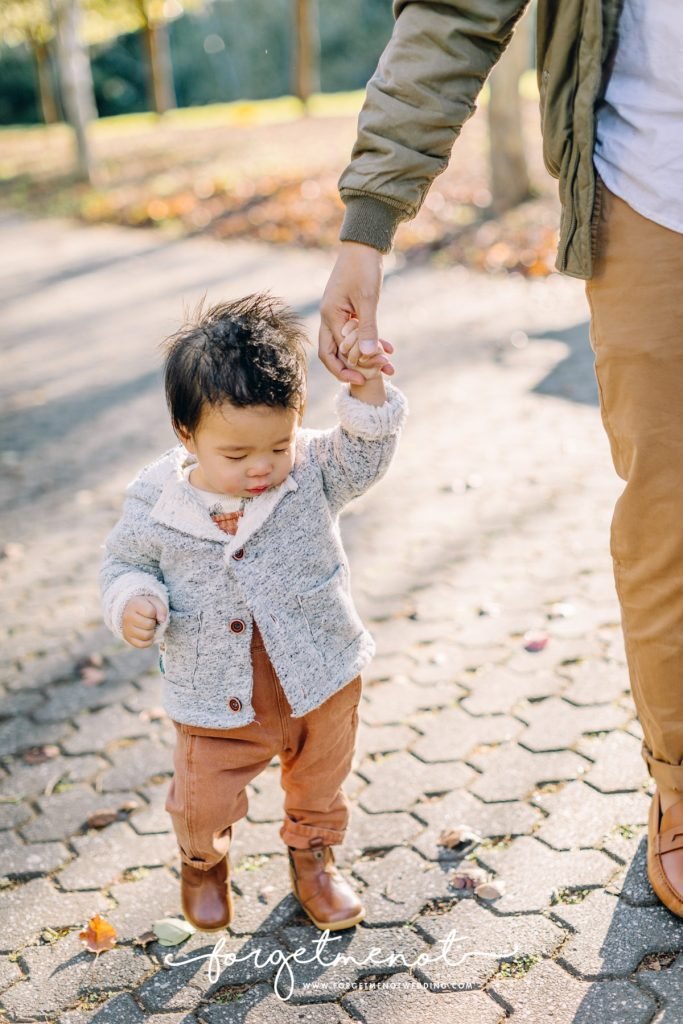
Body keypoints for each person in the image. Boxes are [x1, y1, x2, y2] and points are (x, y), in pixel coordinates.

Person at [319, 0, 683, 916]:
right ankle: (681, 779)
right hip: (653, 191)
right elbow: (452, 16)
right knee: (671, 514)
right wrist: (367, 227)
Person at [99, 292, 409, 932]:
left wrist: (369, 381)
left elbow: (367, 452)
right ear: (187, 436)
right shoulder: (159, 500)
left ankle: (313, 856)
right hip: (215, 694)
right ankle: (202, 860)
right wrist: (134, 599)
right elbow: (124, 564)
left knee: (320, 781)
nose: (262, 468)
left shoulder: (315, 467)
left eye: (278, 444)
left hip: (319, 673)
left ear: (298, 418)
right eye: (236, 457)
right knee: (201, 801)